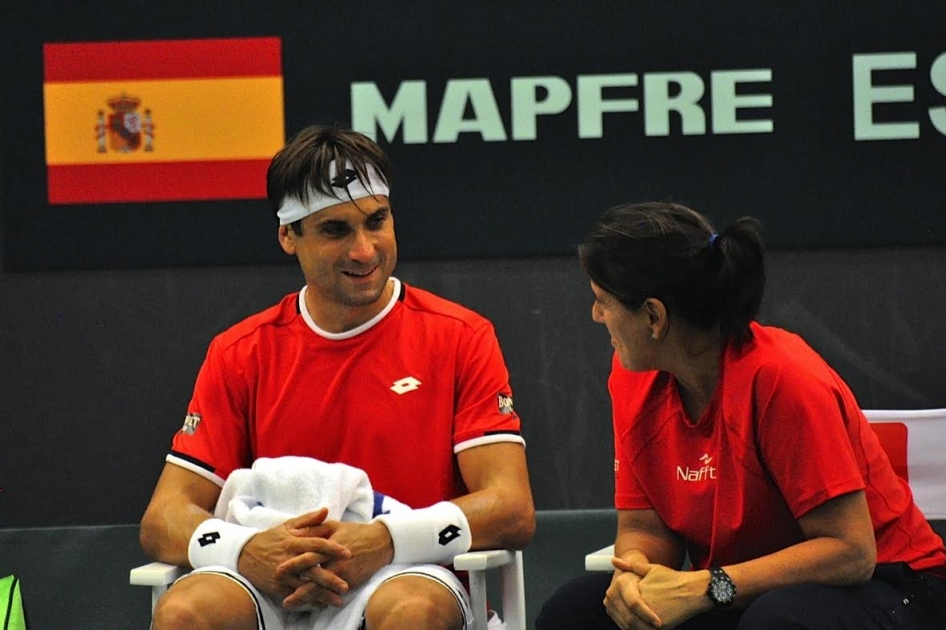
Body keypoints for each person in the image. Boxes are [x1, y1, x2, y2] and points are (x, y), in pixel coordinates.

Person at [139, 124, 535, 630]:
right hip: (273, 580)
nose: (365, 250)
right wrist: (248, 550)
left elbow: (512, 508)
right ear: (288, 236)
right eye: (335, 230)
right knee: (185, 613)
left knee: (411, 612)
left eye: (377, 221)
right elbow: (163, 516)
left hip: (408, 569)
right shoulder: (240, 351)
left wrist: (384, 540)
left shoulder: (461, 336)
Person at [536, 201, 946, 629]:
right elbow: (648, 529)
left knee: (777, 621)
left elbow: (850, 552)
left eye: (603, 301)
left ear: (654, 317)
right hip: (746, 590)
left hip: (893, 587)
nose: (595, 315)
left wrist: (708, 587)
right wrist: (634, 575)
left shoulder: (783, 378)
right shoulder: (631, 376)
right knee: (578, 611)